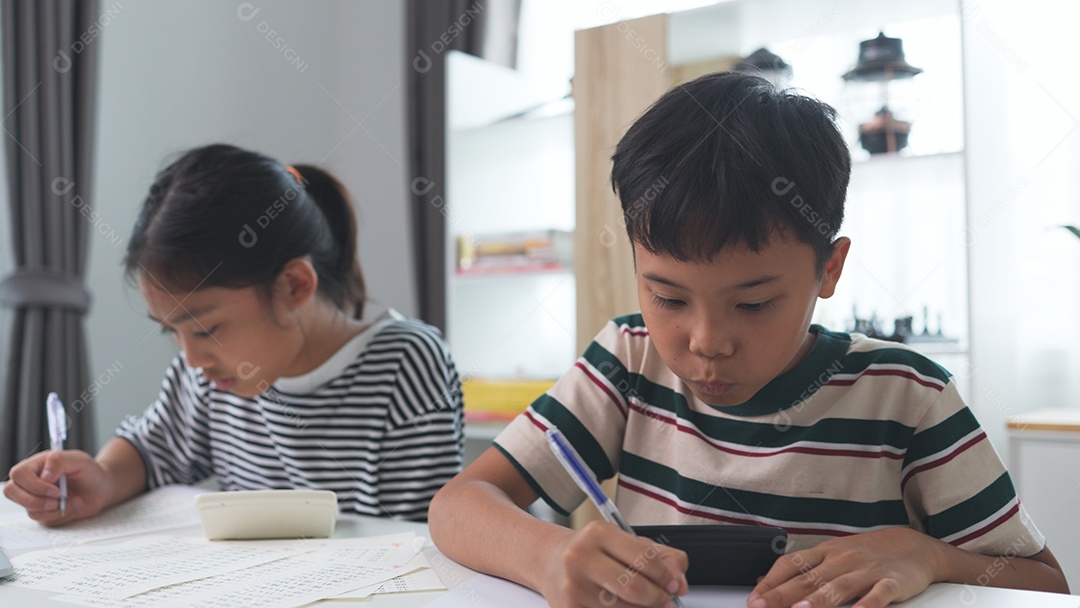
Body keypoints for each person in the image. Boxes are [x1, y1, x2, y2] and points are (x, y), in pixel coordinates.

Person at [428, 72, 1068, 608]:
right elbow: (460, 504)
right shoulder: (629, 359)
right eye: (668, 298)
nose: (706, 343)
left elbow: (1047, 584)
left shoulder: (906, 395)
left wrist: (925, 556)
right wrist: (551, 553)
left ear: (829, 269)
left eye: (755, 303)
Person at [4, 144, 463, 523]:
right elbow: (151, 451)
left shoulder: (406, 364)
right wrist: (100, 478)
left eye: (205, 329)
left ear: (294, 286)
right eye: (173, 332)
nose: (191, 358)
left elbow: (424, 541)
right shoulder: (209, 374)